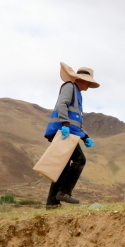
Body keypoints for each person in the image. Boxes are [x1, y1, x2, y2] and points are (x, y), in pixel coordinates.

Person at [43, 63, 99, 208]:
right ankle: (64, 192)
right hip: (63, 131)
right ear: (81, 79)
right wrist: (65, 124)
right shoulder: (69, 87)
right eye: (88, 82)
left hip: (67, 131)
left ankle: (52, 202)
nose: (89, 85)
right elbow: (62, 104)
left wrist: (85, 136)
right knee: (80, 159)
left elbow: (76, 120)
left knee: (62, 166)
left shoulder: (77, 93)